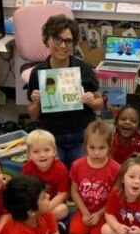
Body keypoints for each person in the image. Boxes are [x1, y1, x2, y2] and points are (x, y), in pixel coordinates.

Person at [27, 15, 103, 169]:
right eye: (57, 39)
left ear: (73, 44)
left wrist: (91, 101)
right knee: (54, 176)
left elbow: (99, 103)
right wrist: (37, 102)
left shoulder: (83, 69)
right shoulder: (39, 72)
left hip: (81, 135)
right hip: (51, 138)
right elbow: (33, 114)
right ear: (47, 40)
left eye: (68, 41)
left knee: (82, 175)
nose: (63, 45)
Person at [69, 120, 121, 234]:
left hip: (105, 211)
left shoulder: (116, 168)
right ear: (85, 145)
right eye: (92, 147)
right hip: (84, 209)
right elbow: (74, 191)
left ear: (109, 146)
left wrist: (99, 214)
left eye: (102, 148)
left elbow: (116, 196)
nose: (96, 153)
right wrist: (84, 212)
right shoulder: (77, 165)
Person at [22, 129, 70, 231]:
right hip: (35, 203)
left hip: (53, 203)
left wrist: (45, 209)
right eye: (36, 151)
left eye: (46, 150)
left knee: (63, 210)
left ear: (54, 152)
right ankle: (49, 223)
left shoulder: (60, 169)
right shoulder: (28, 167)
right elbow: (25, 191)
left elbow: (62, 194)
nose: (42, 155)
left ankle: (40, 223)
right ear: (29, 155)